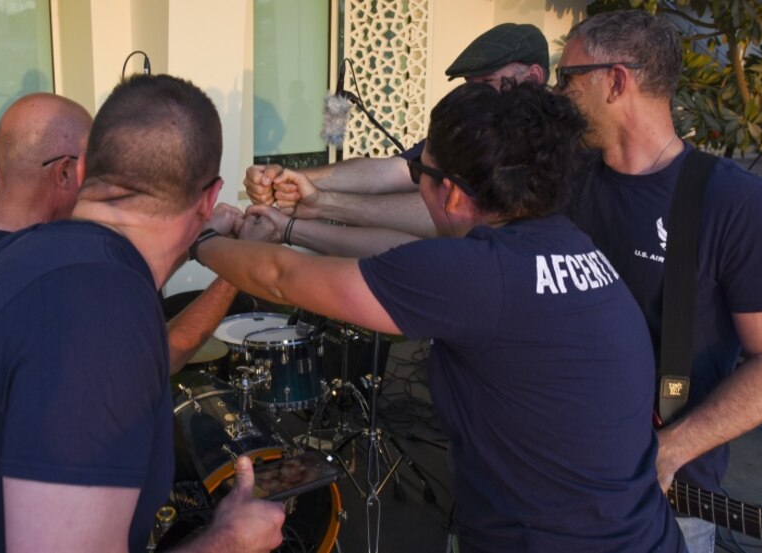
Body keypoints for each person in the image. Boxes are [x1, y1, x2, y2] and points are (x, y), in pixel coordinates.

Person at [197, 81, 685, 552]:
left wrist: (203, 238)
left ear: (451, 194)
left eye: (419, 175)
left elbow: (282, 278)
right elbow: (401, 260)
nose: (417, 184)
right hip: (641, 533)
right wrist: (293, 227)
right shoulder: (564, 244)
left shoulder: (480, 276)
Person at [0, 74, 284, 552]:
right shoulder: (96, 321)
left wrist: (203, 243)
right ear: (210, 197)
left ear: (89, 168)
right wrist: (233, 539)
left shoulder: (31, 255)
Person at [558, 11, 762, 552]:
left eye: (568, 79)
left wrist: (669, 450)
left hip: (667, 505)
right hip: (552, 481)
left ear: (616, 80)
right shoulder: (567, 178)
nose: (558, 94)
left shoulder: (737, 203)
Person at [0, 91, 241, 371]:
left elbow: (130, 276)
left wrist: (195, 232)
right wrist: (235, 275)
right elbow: (160, 358)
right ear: (66, 172)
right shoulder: (50, 280)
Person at [244, 22, 550, 249]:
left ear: (534, 78)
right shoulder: (473, 132)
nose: (475, 94)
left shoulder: (550, 151)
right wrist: (288, 179)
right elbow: (389, 171)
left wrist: (323, 203)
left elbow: (449, 211)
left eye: (487, 81)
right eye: (471, 84)